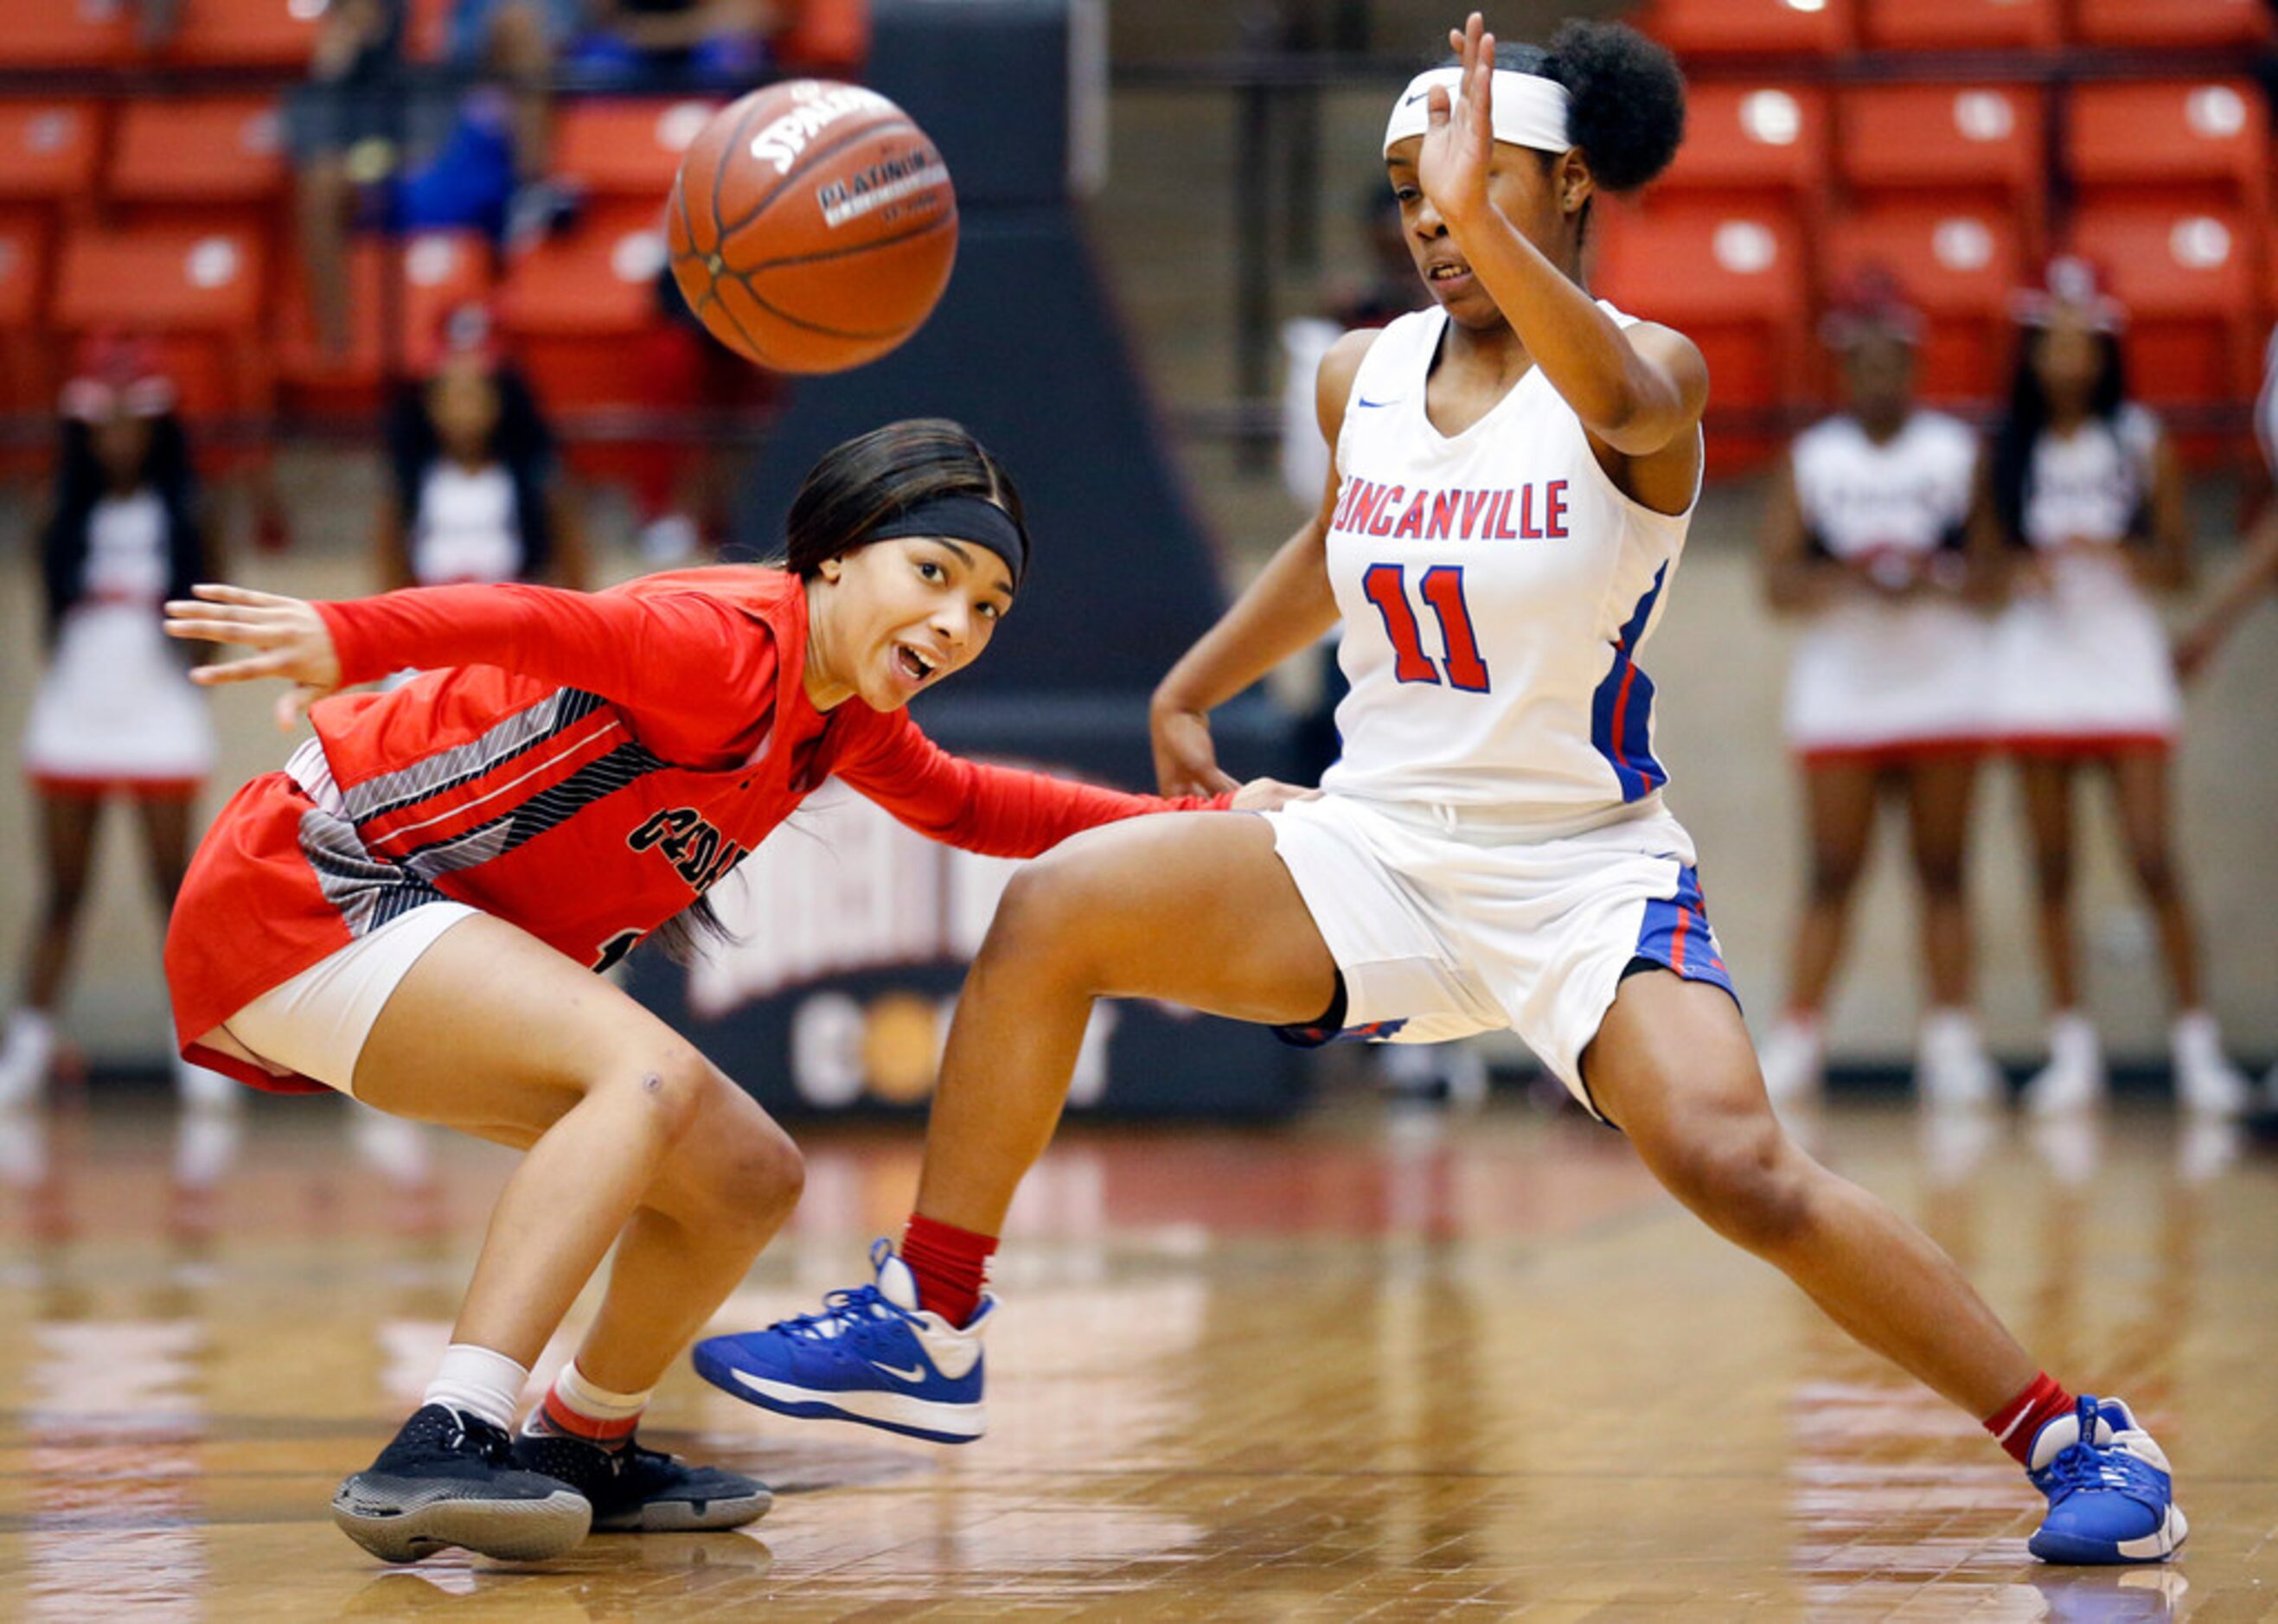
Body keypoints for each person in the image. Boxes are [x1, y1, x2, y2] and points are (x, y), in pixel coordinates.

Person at [696, 18, 2187, 1567]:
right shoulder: (1365, 374)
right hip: (1378, 847)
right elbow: (1337, 542)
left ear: (1568, 187)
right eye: (1409, 184)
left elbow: (1613, 391)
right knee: (1054, 905)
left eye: (1472, 180)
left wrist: (1480, 215)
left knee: (1737, 1167)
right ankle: (930, 1313)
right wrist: (1189, 679)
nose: (1431, 211)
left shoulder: (1647, 374)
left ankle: (2074, 1432)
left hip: (1580, 872)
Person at [159, 419, 1277, 1564]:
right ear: (837, 554)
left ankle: (580, 1442)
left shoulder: (838, 715)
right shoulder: (720, 638)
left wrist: (1204, 825)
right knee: (638, 1074)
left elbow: (974, 807)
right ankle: (447, 1432)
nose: (955, 622)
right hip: (312, 879)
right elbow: (539, 617)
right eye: (934, 574)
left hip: (405, 922)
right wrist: (345, 632)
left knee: (746, 1174)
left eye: (988, 605)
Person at [1987, 260, 2249, 1118]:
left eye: (2082, 345)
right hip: (2037, 663)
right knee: (2052, 863)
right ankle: (2072, 1052)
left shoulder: (2140, 440)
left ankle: (2198, 1048)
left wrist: (2110, 551)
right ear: (2030, 354)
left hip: (2123, 660)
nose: (2067, 362)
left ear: (2105, 352)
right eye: (2051, 346)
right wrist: (2024, 567)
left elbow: (2179, 563)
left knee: (2151, 856)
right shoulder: (2005, 448)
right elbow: (1983, 568)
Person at [1754, 275, 2004, 1109]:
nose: (1877, 378)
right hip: (1844, 691)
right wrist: (1847, 575)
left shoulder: (1956, 454)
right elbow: (1778, 583)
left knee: (1943, 869)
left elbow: (1997, 577)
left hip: (1945, 685)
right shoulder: (1815, 459)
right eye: (1861, 363)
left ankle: (1952, 1044)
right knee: (1831, 871)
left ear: (1915, 364)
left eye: (1891, 361)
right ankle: (1797, 1038)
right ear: (1841, 370)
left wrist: (1937, 574)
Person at [0, 341, 238, 1131]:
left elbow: (215, 630)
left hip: (160, 708)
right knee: (64, 893)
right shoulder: (54, 510)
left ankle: (202, 1056)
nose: (119, 443)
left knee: (175, 892)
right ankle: (25, 1058)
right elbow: (45, 626)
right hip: (77, 707)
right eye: (105, 426)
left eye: (135, 425)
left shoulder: (192, 512)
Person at [379, 313, 590, 597]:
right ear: (430, 407)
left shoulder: (535, 479)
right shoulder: (412, 483)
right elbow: (390, 564)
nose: (463, 413)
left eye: (474, 397)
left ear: (499, 401)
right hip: (437, 615)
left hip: (512, 613)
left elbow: (572, 562)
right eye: (450, 399)